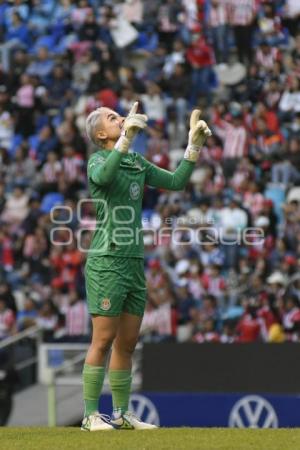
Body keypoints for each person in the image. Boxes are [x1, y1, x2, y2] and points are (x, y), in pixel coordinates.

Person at [81, 101, 211, 431]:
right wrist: (125, 140)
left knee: (127, 343)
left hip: (134, 262)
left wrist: (193, 146)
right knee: (103, 340)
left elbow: (177, 181)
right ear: (101, 134)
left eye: (120, 115)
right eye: (113, 118)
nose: (121, 118)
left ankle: (122, 414)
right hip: (107, 261)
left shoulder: (137, 162)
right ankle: (90, 415)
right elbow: (107, 174)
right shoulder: (97, 160)